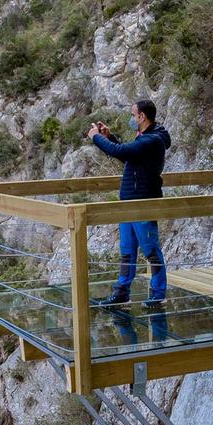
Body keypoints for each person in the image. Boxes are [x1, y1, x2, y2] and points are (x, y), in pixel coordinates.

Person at [88, 99, 170, 307]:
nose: (131, 119)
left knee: (151, 250)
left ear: (142, 116)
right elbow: (131, 158)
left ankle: (158, 294)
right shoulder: (145, 139)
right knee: (127, 251)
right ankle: (122, 292)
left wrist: (96, 138)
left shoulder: (152, 140)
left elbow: (122, 152)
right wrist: (110, 137)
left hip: (142, 203)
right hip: (129, 203)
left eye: (133, 115)